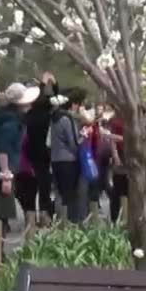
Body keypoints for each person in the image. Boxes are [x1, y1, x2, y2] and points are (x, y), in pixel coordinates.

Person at [0, 83, 38, 252]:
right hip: (0, 172)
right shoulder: (10, 124)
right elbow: (3, 150)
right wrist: (5, 175)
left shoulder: (4, 118)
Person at [22, 73, 58, 223]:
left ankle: (30, 217)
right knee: (44, 185)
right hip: (44, 153)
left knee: (31, 188)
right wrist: (52, 85)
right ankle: (45, 214)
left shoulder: (28, 116)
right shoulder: (47, 115)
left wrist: (45, 86)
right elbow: (54, 100)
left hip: (31, 154)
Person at [49, 87, 88, 223]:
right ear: (72, 104)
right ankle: (69, 223)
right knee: (69, 194)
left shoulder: (54, 118)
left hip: (55, 159)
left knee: (59, 193)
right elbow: (74, 142)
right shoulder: (67, 119)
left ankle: (60, 222)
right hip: (68, 161)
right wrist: (83, 136)